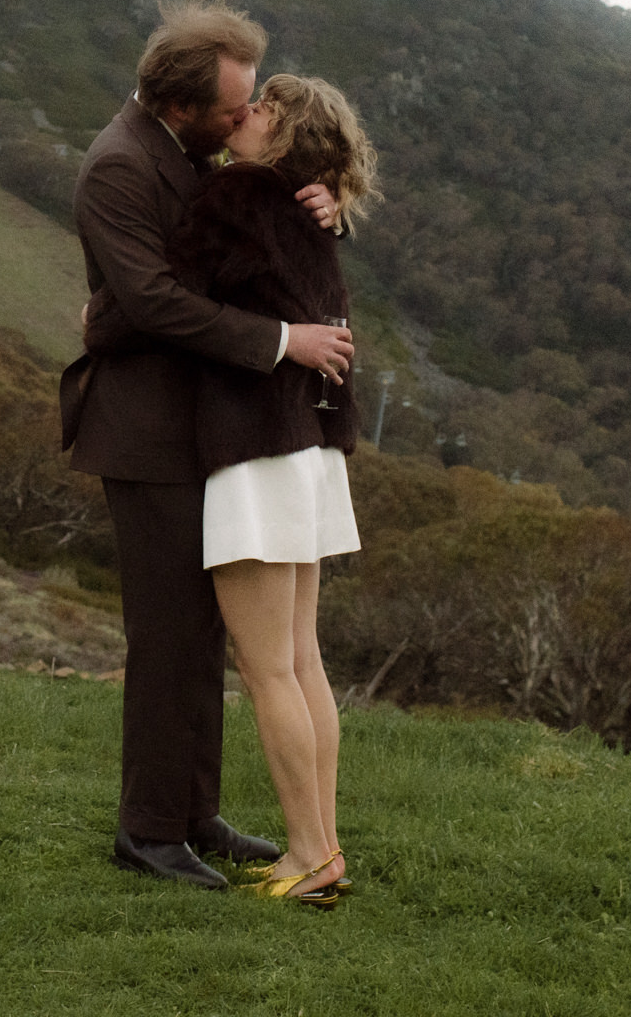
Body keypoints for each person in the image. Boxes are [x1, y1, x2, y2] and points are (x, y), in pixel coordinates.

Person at [60, 0, 354, 891]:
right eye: (231, 110)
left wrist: (324, 203)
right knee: (167, 637)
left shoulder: (195, 153)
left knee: (209, 632)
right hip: (146, 434)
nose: (242, 121)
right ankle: (149, 831)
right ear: (180, 105)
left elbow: (237, 249)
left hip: (207, 430)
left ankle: (194, 814)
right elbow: (155, 299)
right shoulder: (118, 167)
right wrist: (283, 341)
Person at [163, 71, 379, 907]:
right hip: (312, 451)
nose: (246, 113)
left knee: (266, 669)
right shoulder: (311, 210)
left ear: (285, 136)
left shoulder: (236, 198)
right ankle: (322, 848)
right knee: (300, 660)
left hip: (257, 450)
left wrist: (96, 320)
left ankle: (309, 856)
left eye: (264, 110)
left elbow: (166, 296)